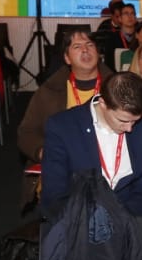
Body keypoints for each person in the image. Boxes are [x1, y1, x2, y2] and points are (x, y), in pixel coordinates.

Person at [41, 71, 142, 217]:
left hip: (129, 223)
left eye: (135, 120)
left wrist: (117, 220)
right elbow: (54, 195)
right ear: (103, 103)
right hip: (77, 225)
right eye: (123, 120)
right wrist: (91, 222)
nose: (130, 128)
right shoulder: (62, 127)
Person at [17, 29, 111, 162]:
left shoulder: (117, 88)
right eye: (77, 46)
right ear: (67, 58)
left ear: (98, 53)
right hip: (63, 161)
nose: (85, 50)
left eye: (90, 45)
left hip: (107, 161)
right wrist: (45, 152)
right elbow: (27, 132)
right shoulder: (49, 91)